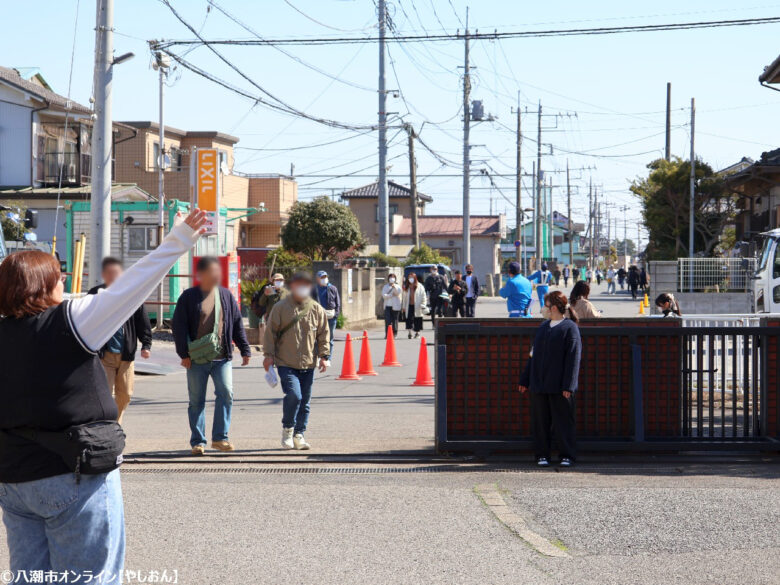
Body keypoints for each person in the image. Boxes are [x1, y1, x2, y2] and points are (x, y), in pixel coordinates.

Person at [0, 209, 207, 585]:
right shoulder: (71, 320)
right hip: (72, 475)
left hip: (14, 482)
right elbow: (131, 289)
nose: (64, 282)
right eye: (57, 277)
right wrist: (178, 240)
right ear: (43, 285)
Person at [172, 256, 251, 456]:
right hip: (196, 359)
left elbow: (236, 323)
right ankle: (198, 442)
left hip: (222, 357)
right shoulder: (188, 297)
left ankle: (220, 438)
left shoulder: (225, 295)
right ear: (202, 275)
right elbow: (178, 326)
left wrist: (244, 348)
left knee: (226, 393)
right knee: (196, 400)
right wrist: (183, 353)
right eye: (212, 272)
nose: (216, 275)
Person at [263, 271, 330, 450]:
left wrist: (324, 356)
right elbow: (270, 333)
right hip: (286, 362)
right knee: (295, 396)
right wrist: (268, 356)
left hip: (308, 362)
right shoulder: (280, 308)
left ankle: (299, 434)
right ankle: (288, 430)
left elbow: (323, 334)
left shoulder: (316, 309)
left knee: (305, 401)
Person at [519, 290, 582, 467]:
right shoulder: (543, 327)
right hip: (539, 383)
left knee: (563, 422)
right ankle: (542, 454)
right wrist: (525, 380)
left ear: (553, 307)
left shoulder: (570, 328)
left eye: (545, 305)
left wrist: (569, 385)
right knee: (541, 422)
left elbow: (573, 358)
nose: (543, 309)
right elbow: (533, 355)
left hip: (560, 385)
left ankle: (567, 455)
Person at [87, 257, 152, 424]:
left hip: (126, 355)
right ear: (103, 275)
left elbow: (142, 322)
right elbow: (86, 320)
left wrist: (146, 345)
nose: (113, 276)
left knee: (126, 394)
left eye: (116, 273)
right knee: (105, 395)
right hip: (104, 355)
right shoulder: (96, 294)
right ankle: (107, 426)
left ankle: (116, 423)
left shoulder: (132, 295)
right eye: (109, 273)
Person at [313, 270, 340, 357]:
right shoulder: (314, 289)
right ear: (317, 279)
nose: (324, 279)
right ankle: (319, 357)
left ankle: (328, 358)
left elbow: (338, 303)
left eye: (325, 277)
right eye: (322, 277)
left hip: (331, 317)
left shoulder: (332, 288)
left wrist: (335, 315)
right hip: (318, 317)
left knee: (330, 339)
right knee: (317, 338)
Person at [402, 272, 427, 338]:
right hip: (409, 306)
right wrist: (403, 307)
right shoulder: (407, 286)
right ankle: (409, 333)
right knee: (409, 319)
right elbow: (404, 298)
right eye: (409, 277)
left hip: (417, 306)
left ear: (415, 278)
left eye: (412, 277)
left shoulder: (420, 286)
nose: (411, 279)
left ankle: (417, 332)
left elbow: (424, 296)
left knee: (417, 319)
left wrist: (423, 304)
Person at [382, 272, 402, 337]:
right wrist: (390, 295)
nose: (392, 279)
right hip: (387, 306)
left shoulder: (398, 286)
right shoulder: (385, 286)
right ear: (388, 279)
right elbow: (384, 295)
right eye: (390, 277)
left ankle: (394, 333)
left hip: (395, 306)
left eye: (393, 277)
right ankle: (387, 334)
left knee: (395, 320)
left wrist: (394, 287)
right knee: (388, 321)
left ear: (395, 279)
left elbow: (397, 293)